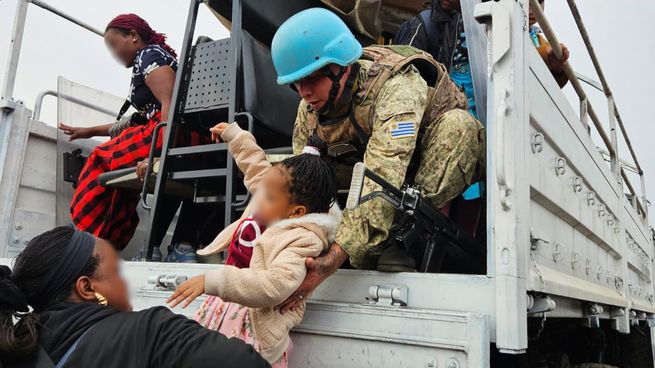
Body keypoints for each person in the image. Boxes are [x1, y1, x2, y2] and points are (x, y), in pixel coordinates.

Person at [269, 8, 485, 312]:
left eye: (312, 79)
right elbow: (299, 181)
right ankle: (361, 238)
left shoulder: (397, 85)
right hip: (367, 176)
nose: (304, 93)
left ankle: (403, 237)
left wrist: (333, 260)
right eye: (296, 84)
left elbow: (385, 167)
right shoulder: (310, 109)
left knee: (458, 128)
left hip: (414, 169)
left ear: (340, 67)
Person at [166, 122, 341, 366]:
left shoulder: (303, 239)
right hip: (225, 305)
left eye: (268, 197)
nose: (260, 198)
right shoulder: (275, 201)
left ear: (296, 212)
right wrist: (236, 136)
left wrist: (213, 281)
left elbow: (275, 286)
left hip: (251, 328)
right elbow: (255, 167)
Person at [0, 226, 270, 368]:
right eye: (116, 271)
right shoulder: (152, 332)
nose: (124, 281)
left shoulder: (16, 346)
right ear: (87, 288)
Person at [61, 14, 210, 261]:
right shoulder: (155, 57)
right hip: (174, 132)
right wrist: (89, 131)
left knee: (99, 159)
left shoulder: (148, 56)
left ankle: (88, 237)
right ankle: (110, 242)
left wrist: (162, 155)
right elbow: (134, 121)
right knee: (120, 183)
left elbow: (169, 105)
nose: (113, 53)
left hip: (171, 133)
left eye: (114, 44)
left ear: (133, 36)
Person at [395, 0, 478, 118]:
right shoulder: (423, 25)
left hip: (478, 112)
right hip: (441, 115)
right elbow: (403, 76)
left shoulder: (484, 22)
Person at [529, 0, 570, 88]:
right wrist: (546, 54)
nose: (532, 7)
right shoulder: (500, 25)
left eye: (539, 1)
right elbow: (516, 56)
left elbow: (554, 87)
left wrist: (559, 70)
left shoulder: (542, 41)